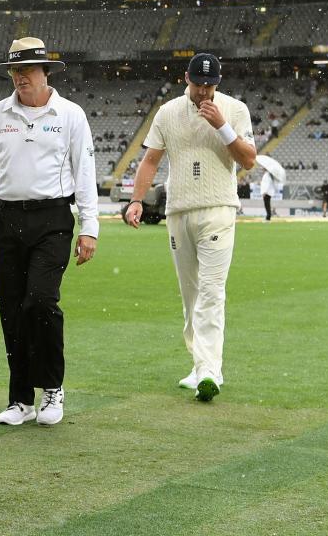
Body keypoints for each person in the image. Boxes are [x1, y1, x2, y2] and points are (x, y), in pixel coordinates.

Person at [0, 37, 99, 428]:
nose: (20, 78)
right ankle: (20, 399)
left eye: (28, 70)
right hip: (5, 219)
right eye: (15, 71)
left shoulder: (70, 115)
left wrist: (91, 228)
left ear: (46, 72)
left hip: (53, 219)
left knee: (40, 302)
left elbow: (85, 174)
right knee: (12, 311)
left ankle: (52, 388)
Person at [124, 53, 256, 403]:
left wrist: (221, 125)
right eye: (198, 84)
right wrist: (137, 200)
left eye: (210, 85)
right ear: (187, 78)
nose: (204, 92)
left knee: (212, 293)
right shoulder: (168, 112)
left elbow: (248, 160)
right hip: (178, 211)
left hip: (219, 209)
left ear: (219, 82)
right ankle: (200, 366)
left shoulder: (234, 109)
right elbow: (150, 160)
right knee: (191, 296)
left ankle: (210, 372)